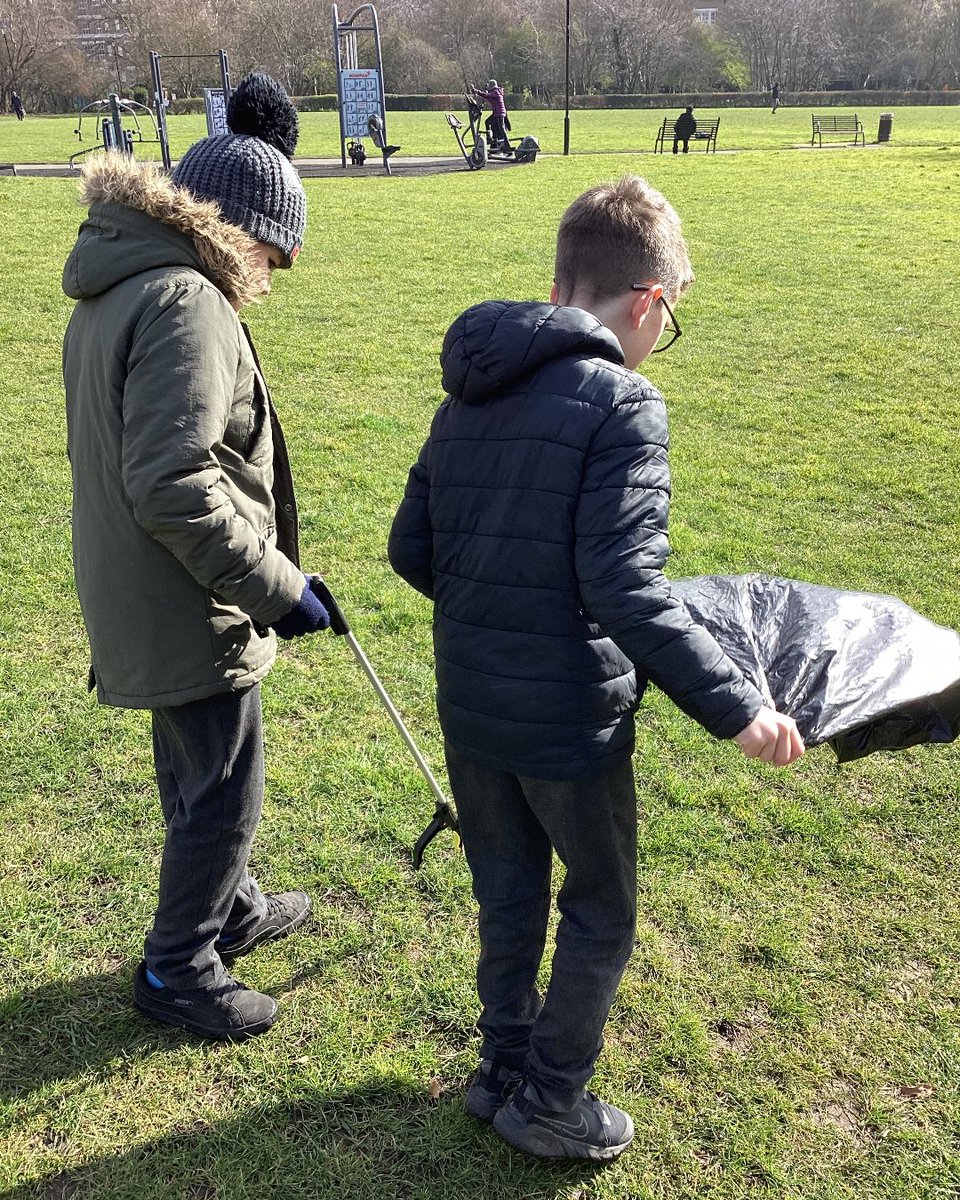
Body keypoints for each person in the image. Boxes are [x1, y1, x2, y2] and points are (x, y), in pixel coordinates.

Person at [388, 175, 804, 1161]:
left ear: (561, 278)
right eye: (673, 317)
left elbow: (413, 549)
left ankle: (501, 1069)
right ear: (649, 302)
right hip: (567, 717)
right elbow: (623, 584)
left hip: (472, 700)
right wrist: (738, 708)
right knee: (599, 902)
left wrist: (500, 603)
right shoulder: (625, 401)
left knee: (506, 883)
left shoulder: (471, 391)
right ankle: (550, 1099)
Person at [61, 73, 333, 1041]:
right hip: (183, 594)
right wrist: (280, 587)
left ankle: (233, 907)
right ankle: (179, 968)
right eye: (274, 256)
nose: (271, 276)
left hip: (142, 584)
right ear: (242, 231)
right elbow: (173, 482)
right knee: (222, 786)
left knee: (196, 767)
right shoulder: (186, 301)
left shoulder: (125, 276)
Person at [472, 79, 510, 153]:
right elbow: (488, 96)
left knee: (502, 129)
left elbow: (487, 95)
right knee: (488, 122)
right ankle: (490, 139)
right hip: (497, 113)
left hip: (499, 113)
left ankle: (507, 145)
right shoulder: (496, 91)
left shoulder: (496, 92)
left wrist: (477, 91)